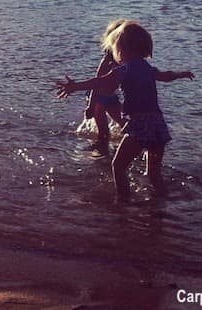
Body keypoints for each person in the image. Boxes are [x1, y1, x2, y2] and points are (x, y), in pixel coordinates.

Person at [56, 21, 194, 201]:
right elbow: (166, 76)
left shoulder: (124, 70)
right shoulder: (148, 68)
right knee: (154, 173)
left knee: (118, 166)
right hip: (158, 125)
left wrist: (75, 86)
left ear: (123, 48)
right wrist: (180, 74)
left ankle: (123, 201)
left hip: (139, 126)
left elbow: (99, 82)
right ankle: (161, 205)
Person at [83, 19, 124, 157]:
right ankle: (101, 155)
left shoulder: (124, 62)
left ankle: (119, 150)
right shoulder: (106, 62)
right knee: (104, 133)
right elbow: (96, 84)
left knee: (125, 124)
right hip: (98, 99)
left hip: (112, 97)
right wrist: (90, 106)